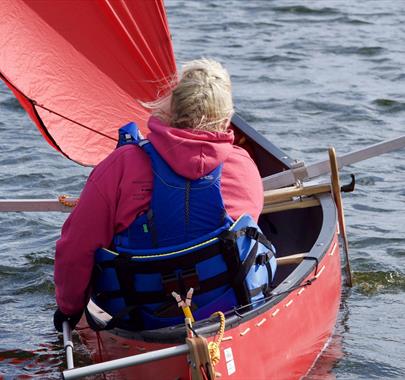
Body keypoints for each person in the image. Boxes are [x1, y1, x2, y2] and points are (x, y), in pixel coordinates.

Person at [53, 58, 276, 332]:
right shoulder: (242, 166)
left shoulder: (119, 166)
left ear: (170, 109)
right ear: (226, 118)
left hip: (142, 316)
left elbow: (75, 248)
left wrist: (69, 309)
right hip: (224, 308)